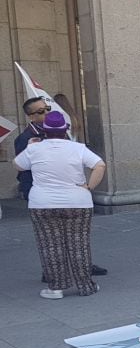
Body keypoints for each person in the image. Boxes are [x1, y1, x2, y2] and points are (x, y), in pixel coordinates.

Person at [13, 112, 106, 299]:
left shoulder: (34, 148)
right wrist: (89, 186)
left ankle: (56, 287)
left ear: (45, 130)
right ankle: (85, 286)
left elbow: (18, 165)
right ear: (65, 129)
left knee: (50, 245)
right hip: (77, 201)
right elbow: (99, 165)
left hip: (42, 203)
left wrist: (31, 146)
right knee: (79, 243)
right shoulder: (78, 148)